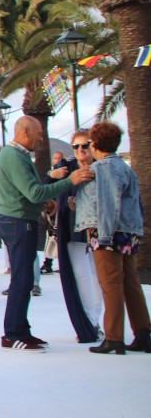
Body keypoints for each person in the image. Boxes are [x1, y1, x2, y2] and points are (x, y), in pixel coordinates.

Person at [0, 116, 93, 352]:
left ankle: (21, 330)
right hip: (18, 222)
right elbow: (34, 192)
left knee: (25, 278)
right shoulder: (13, 156)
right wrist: (70, 181)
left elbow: (27, 193)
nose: (41, 139)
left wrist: (43, 203)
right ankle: (12, 334)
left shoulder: (15, 155)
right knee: (22, 279)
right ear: (25, 132)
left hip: (18, 220)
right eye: (38, 134)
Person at [73, 121, 149, 355]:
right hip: (127, 232)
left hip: (107, 233)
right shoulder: (125, 167)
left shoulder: (102, 168)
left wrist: (104, 236)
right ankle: (143, 333)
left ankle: (114, 337)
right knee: (130, 282)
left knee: (111, 284)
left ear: (95, 144)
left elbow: (107, 203)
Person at [54, 130, 101, 343]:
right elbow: (50, 188)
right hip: (74, 231)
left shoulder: (100, 167)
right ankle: (89, 322)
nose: (80, 150)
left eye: (85, 145)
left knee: (98, 278)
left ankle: (96, 320)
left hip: (98, 232)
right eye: (76, 146)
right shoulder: (67, 168)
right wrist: (67, 202)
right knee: (82, 277)